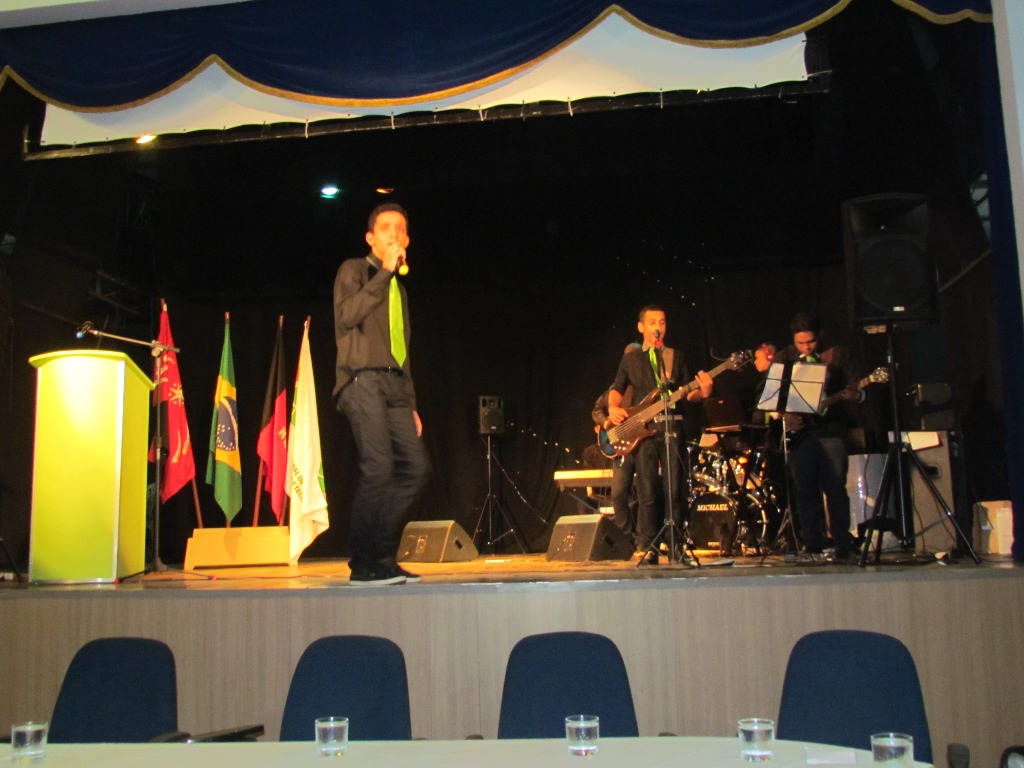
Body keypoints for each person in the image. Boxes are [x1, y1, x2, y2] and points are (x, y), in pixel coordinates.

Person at [333, 202, 428, 585]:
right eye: (386, 227)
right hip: (362, 380)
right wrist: (385, 271)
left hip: (395, 387)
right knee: (379, 468)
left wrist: (412, 404)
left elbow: (402, 349)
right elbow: (346, 315)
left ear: (407, 239)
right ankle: (362, 562)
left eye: (400, 228)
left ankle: (383, 556)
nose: (394, 233)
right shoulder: (354, 270)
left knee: (415, 469)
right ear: (370, 238)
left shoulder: (398, 290)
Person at [606, 305, 714, 564]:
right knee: (647, 489)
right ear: (641, 326)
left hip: (672, 425)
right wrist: (613, 408)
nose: (658, 327)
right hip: (643, 430)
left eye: (662, 322)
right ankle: (647, 545)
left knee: (675, 488)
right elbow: (617, 387)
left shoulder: (676, 356)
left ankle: (676, 543)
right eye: (653, 322)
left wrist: (704, 392)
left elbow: (689, 392)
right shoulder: (631, 359)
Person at [773, 311, 861, 560]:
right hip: (801, 434)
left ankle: (842, 542)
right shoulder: (785, 357)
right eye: (800, 342)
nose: (806, 347)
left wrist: (856, 394)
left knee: (835, 486)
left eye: (810, 341)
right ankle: (812, 542)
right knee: (805, 488)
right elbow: (771, 395)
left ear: (820, 336)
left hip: (831, 430)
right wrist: (784, 415)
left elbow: (855, 387)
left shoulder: (838, 354)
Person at [591, 343, 642, 543]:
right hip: (622, 451)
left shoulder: (646, 386)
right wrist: (606, 422)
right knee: (618, 495)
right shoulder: (614, 390)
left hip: (643, 446)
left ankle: (645, 539)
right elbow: (596, 410)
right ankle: (626, 538)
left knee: (647, 494)